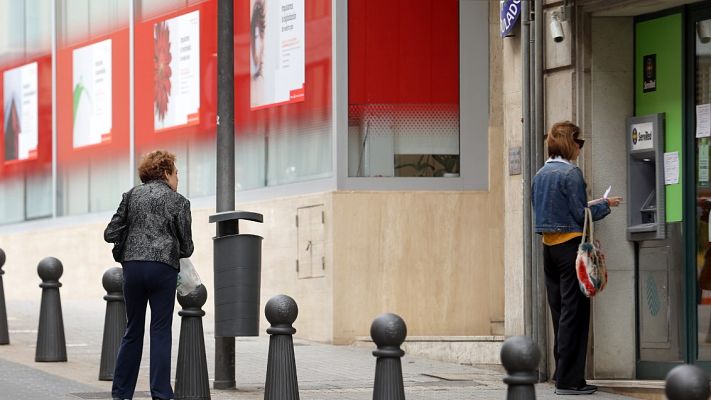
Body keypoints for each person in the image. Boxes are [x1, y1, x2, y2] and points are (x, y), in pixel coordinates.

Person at [531, 121, 621, 396]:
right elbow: (580, 216)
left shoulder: (540, 174)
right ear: (570, 143)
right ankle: (569, 381)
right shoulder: (571, 175)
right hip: (571, 248)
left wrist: (587, 206)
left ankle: (564, 374)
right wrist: (605, 206)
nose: (581, 149)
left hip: (549, 248)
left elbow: (551, 211)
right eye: (579, 143)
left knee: (560, 313)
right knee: (576, 313)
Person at [104, 150, 193, 400]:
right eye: (176, 173)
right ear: (165, 172)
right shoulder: (179, 202)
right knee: (160, 330)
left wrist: (130, 240)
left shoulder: (131, 196)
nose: (178, 178)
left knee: (132, 330)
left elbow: (110, 233)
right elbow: (187, 247)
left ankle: (121, 394)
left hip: (132, 267)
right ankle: (161, 393)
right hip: (163, 268)